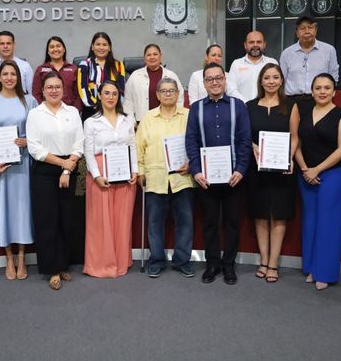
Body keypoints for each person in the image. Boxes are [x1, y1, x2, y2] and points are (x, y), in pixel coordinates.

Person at [185, 63, 251, 285]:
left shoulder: (238, 106)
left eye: (218, 78)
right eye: (209, 79)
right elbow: (191, 141)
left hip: (234, 178)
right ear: (204, 83)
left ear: (225, 80)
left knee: (232, 223)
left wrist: (241, 169)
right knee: (210, 223)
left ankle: (229, 265)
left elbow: (244, 140)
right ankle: (212, 264)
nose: (214, 82)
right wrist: (196, 171)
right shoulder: (196, 109)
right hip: (206, 179)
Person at [26, 71, 84, 290]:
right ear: (42, 90)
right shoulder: (35, 114)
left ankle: (64, 264)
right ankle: (52, 269)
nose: (53, 90)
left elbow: (79, 142)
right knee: (47, 220)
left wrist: (68, 169)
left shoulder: (73, 112)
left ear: (63, 88)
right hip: (45, 170)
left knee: (67, 219)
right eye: (49, 87)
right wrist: (62, 165)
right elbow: (35, 149)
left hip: (71, 167)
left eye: (57, 86)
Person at [294, 73, 341, 290]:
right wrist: (304, 168)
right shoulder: (305, 113)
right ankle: (311, 267)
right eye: (318, 88)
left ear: (334, 91)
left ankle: (324, 273)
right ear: (312, 91)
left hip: (332, 175)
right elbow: (296, 143)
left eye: (327, 88)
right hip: (306, 174)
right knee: (310, 222)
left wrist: (317, 169)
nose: (322, 91)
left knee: (329, 224)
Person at [0, 60, 37, 281]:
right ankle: (8, 257)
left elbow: (35, 131)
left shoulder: (30, 101)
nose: (9, 77)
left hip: (23, 164)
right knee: (3, 209)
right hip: (0, 166)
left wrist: (27, 140)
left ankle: (22, 257)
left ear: (19, 77)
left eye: (13, 74)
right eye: (5, 74)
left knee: (23, 209)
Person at [136, 77, 196, 278]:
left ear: (179, 94)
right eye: (164, 91)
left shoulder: (189, 116)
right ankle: (157, 260)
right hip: (155, 178)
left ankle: (182, 260)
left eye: (172, 91)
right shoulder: (148, 118)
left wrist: (193, 164)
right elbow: (139, 148)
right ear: (157, 95)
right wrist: (141, 172)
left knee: (185, 221)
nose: (168, 94)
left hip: (183, 177)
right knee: (155, 222)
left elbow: (197, 143)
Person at [246, 63, 298, 283]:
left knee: (278, 215)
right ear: (261, 81)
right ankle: (264, 260)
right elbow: (244, 136)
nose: (271, 81)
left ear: (281, 80)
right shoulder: (250, 106)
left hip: (281, 169)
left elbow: (295, 137)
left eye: (275, 77)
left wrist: (289, 157)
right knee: (260, 215)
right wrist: (252, 145)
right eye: (266, 77)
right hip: (256, 169)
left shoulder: (290, 105)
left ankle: (274, 264)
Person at [83, 80, 138, 278]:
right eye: (106, 93)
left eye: (114, 93)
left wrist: (135, 171)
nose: (110, 97)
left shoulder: (127, 120)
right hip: (101, 176)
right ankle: (101, 264)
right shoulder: (91, 122)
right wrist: (96, 176)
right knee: (101, 222)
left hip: (125, 174)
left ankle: (121, 261)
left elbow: (133, 146)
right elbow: (88, 152)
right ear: (100, 95)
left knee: (121, 220)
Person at [280, 16, 340, 103]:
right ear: (297, 32)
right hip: (292, 101)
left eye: (310, 27)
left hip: (320, 100)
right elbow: (282, 80)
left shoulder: (329, 50)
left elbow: (334, 77)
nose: (307, 31)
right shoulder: (286, 53)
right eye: (302, 28)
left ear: (315, 30)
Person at [123, 43, 184, 123]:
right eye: (148, 55)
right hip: (142, 122)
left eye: (155, 54)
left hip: (167, 121)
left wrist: (175, 119)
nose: (152, 57)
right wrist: (132, 123)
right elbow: (128, 102)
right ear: (144, 58)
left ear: (160, 56)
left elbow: (179, 99)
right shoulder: (135, 76)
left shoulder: (171, 75)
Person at [77, 32, 126, 121]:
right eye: (98, 44)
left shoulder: (119, 65)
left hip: (113, 110)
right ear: (92, 47)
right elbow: (83, 88)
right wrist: (96, 105)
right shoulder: (84, 64)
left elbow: (121, 90)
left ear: (109, 48)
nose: (101, 47)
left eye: (104, 45)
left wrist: (111, 105)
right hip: (91, 111)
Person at [31, 36, 82, 110]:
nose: (55, 49)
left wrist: (73, 111)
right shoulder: (41, 70)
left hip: (69, 113)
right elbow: (36, 94)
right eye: (52, 47)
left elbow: (79, 95)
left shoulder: (73, 69)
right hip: (46, 113)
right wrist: (45, 110)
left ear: (64, 49)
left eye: (58, 46)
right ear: (48, 51)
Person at [227, 31, 278, 102]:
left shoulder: (272, 62)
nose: (255, 45)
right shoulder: (236, 64)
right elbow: (231, 89)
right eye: (251, 42)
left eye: (259, 42)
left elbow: (277, 87)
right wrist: (246, 104)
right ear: (245, 45)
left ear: (264, 44)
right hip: (242, 108)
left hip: (266, 108)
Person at [0, 30, 34, 96]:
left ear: (14, 45)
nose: (5, 46)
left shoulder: (25, 66)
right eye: (2, 43)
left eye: (8, 43)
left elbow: (31, 92)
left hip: (21, 104)